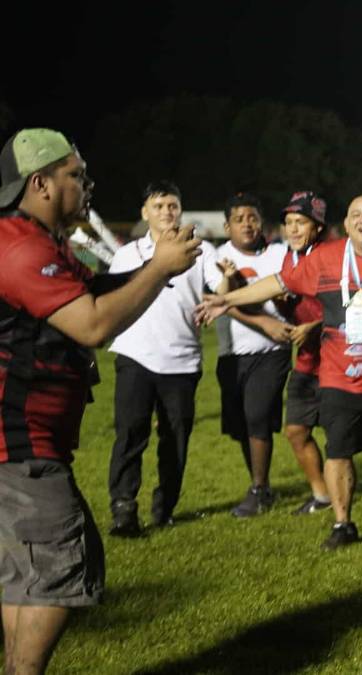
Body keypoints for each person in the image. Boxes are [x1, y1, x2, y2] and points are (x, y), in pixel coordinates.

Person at [0, 128, 200, 674]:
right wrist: (160, 268)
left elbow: (98, 290)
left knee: (30, 575)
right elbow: (90, 323)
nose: (87, 184)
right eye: (77, 175)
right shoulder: (19, 247)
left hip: (23, 444)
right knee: (64, 569)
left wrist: (159, 264)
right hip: (19, 444)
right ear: (39, 182)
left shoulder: (42, 240)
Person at [197, 194, 362, 549]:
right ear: (347, 222)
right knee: (338, 449)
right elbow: (281, 282)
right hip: (339, 375)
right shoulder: (327, 257)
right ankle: (343, 522)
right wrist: (227, 299)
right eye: (357, 214)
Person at [106, 180, 223, 535]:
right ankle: (124, 510)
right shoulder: (127, 255)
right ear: (145, 213)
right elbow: (113, 298)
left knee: (175, 438)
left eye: (172, 205)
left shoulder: (200, 250)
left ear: (180, 210)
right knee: (130, 433)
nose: (166, 212)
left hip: (182, 359)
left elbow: (222, 291)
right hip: (134, 354)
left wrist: (221, 298)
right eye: (158, 206)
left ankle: (165, 506)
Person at [211, 193, 292, 517]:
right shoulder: (216, 257)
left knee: (257, 416)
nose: (247, 223)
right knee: (242, 425)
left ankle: (259, 488)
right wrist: (229, 281)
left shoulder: (279, 253)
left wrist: (285, 308)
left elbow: (291, 295)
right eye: (239, 218)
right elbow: (218, 301)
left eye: (252, 217)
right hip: (231, 354)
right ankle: (261, 485)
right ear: (227, 225)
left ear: (262, 222)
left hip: (271, 351)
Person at [276, 191, 332, 514]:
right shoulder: (289, 257)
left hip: (337, 360)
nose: (293, 229)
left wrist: (313, 326)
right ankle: (322, 495)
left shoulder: (333, 256)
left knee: (359, 437)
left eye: (301, 222)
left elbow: (352, 306)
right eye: (288, 223)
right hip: (307, 362)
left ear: (319, 227)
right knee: (296, 431)